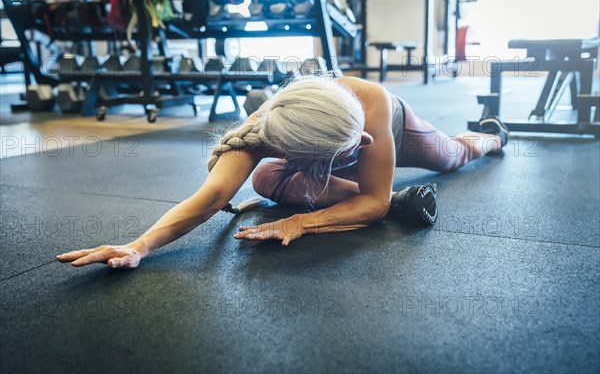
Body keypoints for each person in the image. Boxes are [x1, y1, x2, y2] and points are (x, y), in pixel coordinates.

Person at [56, 75, 509, 269]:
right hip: (314, 150)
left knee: (454, 156)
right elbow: (211, 197)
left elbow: (369, 201)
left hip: (395, 122)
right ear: (298, 150)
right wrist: (138, 246)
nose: (363, 146)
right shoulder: (261, 132)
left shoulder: (369, 113)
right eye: (353, 148)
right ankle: (397, 201)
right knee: (265, 180)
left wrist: (300, 222)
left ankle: (492, 135)